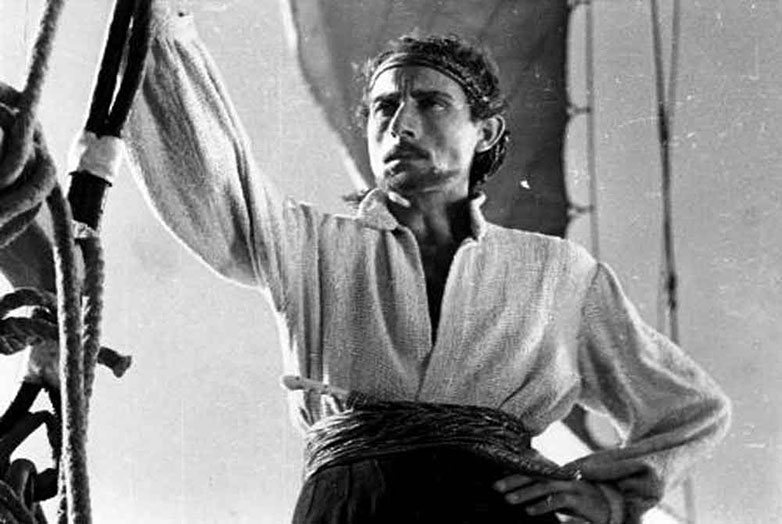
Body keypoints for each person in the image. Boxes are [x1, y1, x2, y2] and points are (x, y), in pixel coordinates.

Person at [124, 8, 731, 524]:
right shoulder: (310, 247)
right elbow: (212, 178)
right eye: (383, 107)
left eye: (431, 103)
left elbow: (690, 409)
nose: (401, 125)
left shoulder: (558, 273)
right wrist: (158, 25)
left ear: (485, 131)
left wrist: (613, 500)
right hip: (350, 508)